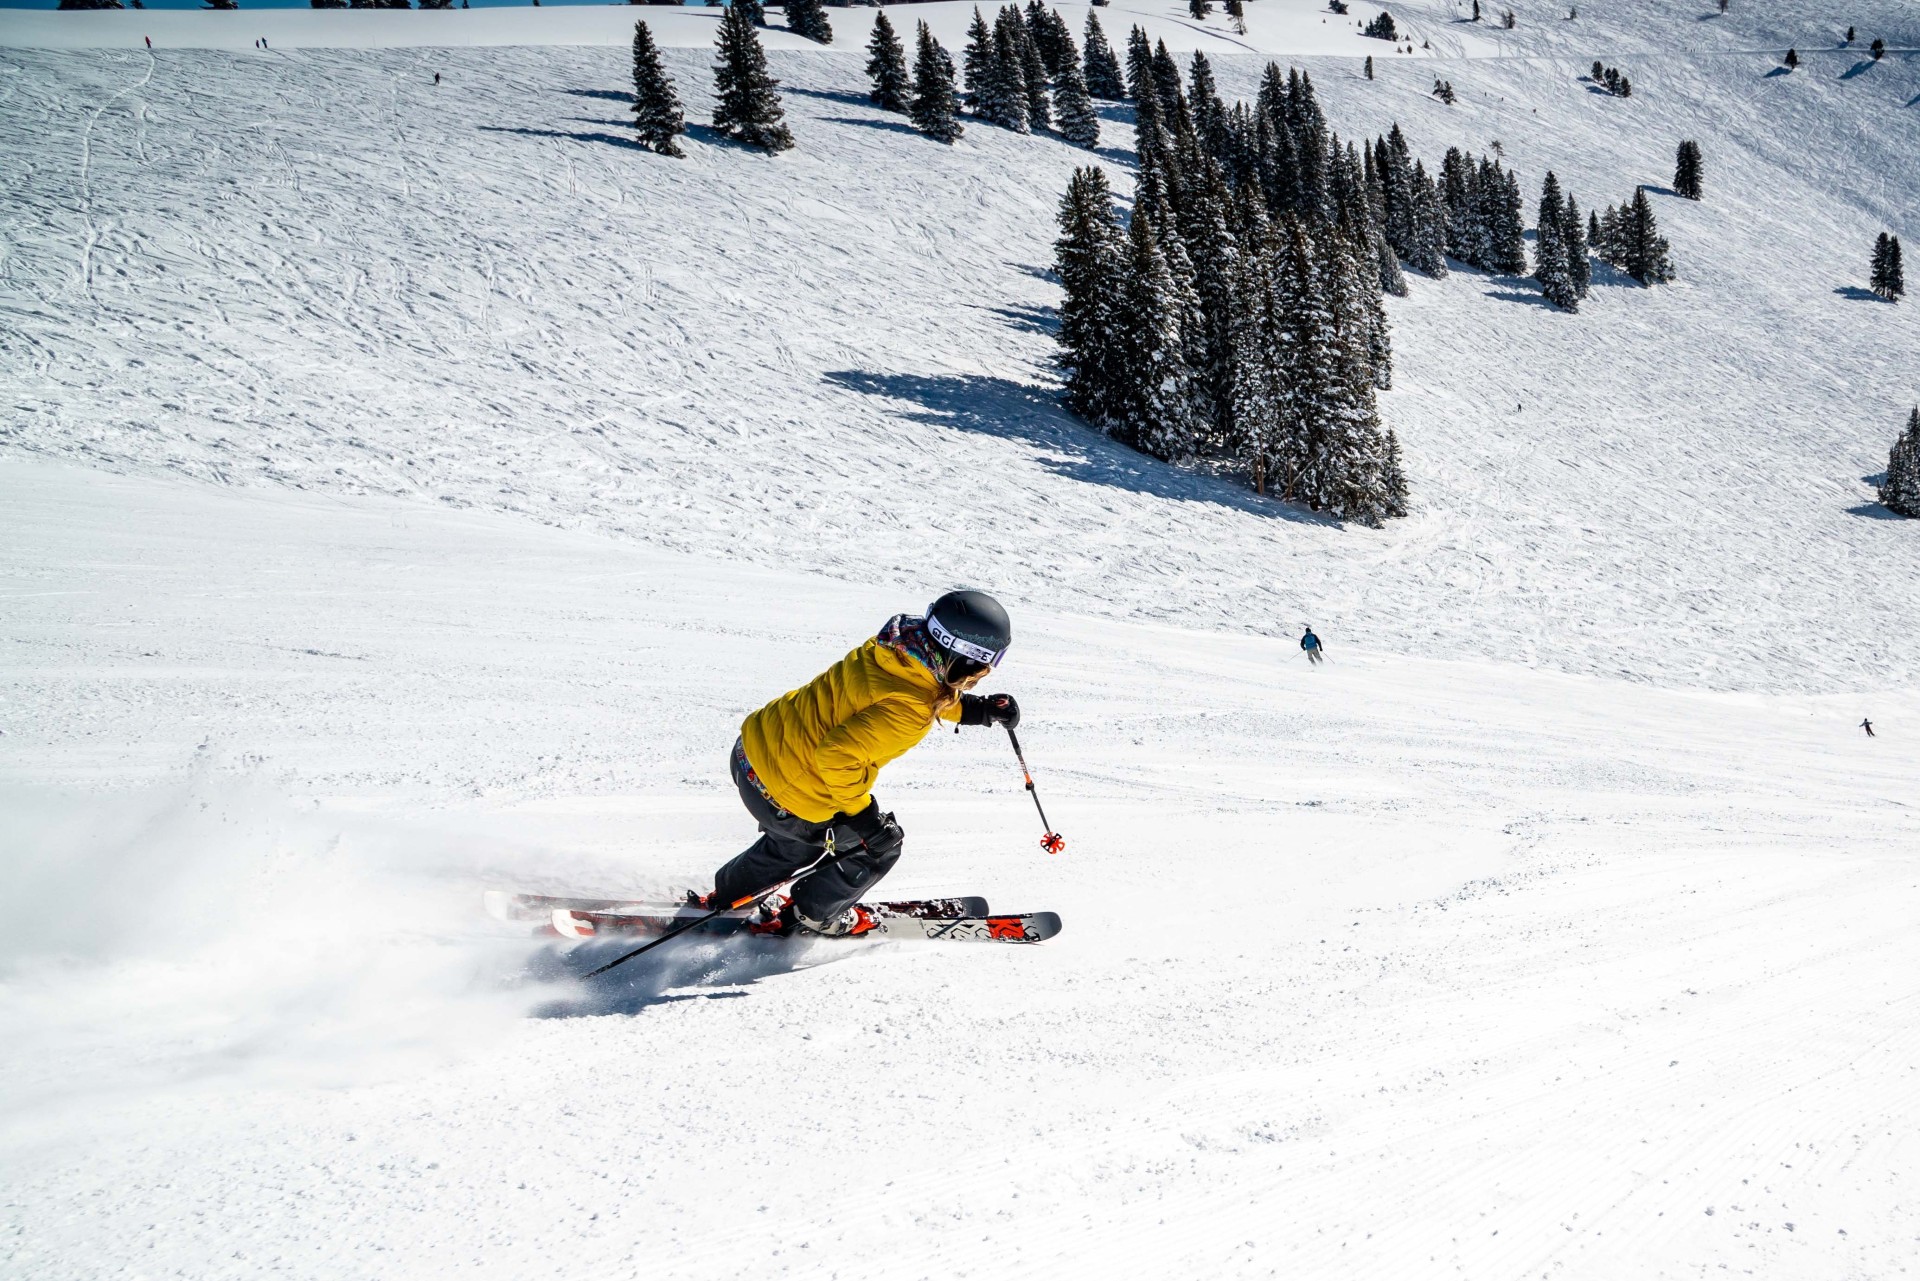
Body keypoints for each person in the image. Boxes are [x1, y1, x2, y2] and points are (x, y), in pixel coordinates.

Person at [701, 591, 1021, 938]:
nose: (986, 672)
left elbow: (898, 693)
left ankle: (731, 896)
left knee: (794, 842)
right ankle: (813, 916)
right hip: (787, 792)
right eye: (987, 661)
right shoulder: (911, 709)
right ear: (962, 655)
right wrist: (866, 820)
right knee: (875, 848)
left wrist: (976, 710)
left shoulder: (893, 648)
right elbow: (838, 757)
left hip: (753, 756)